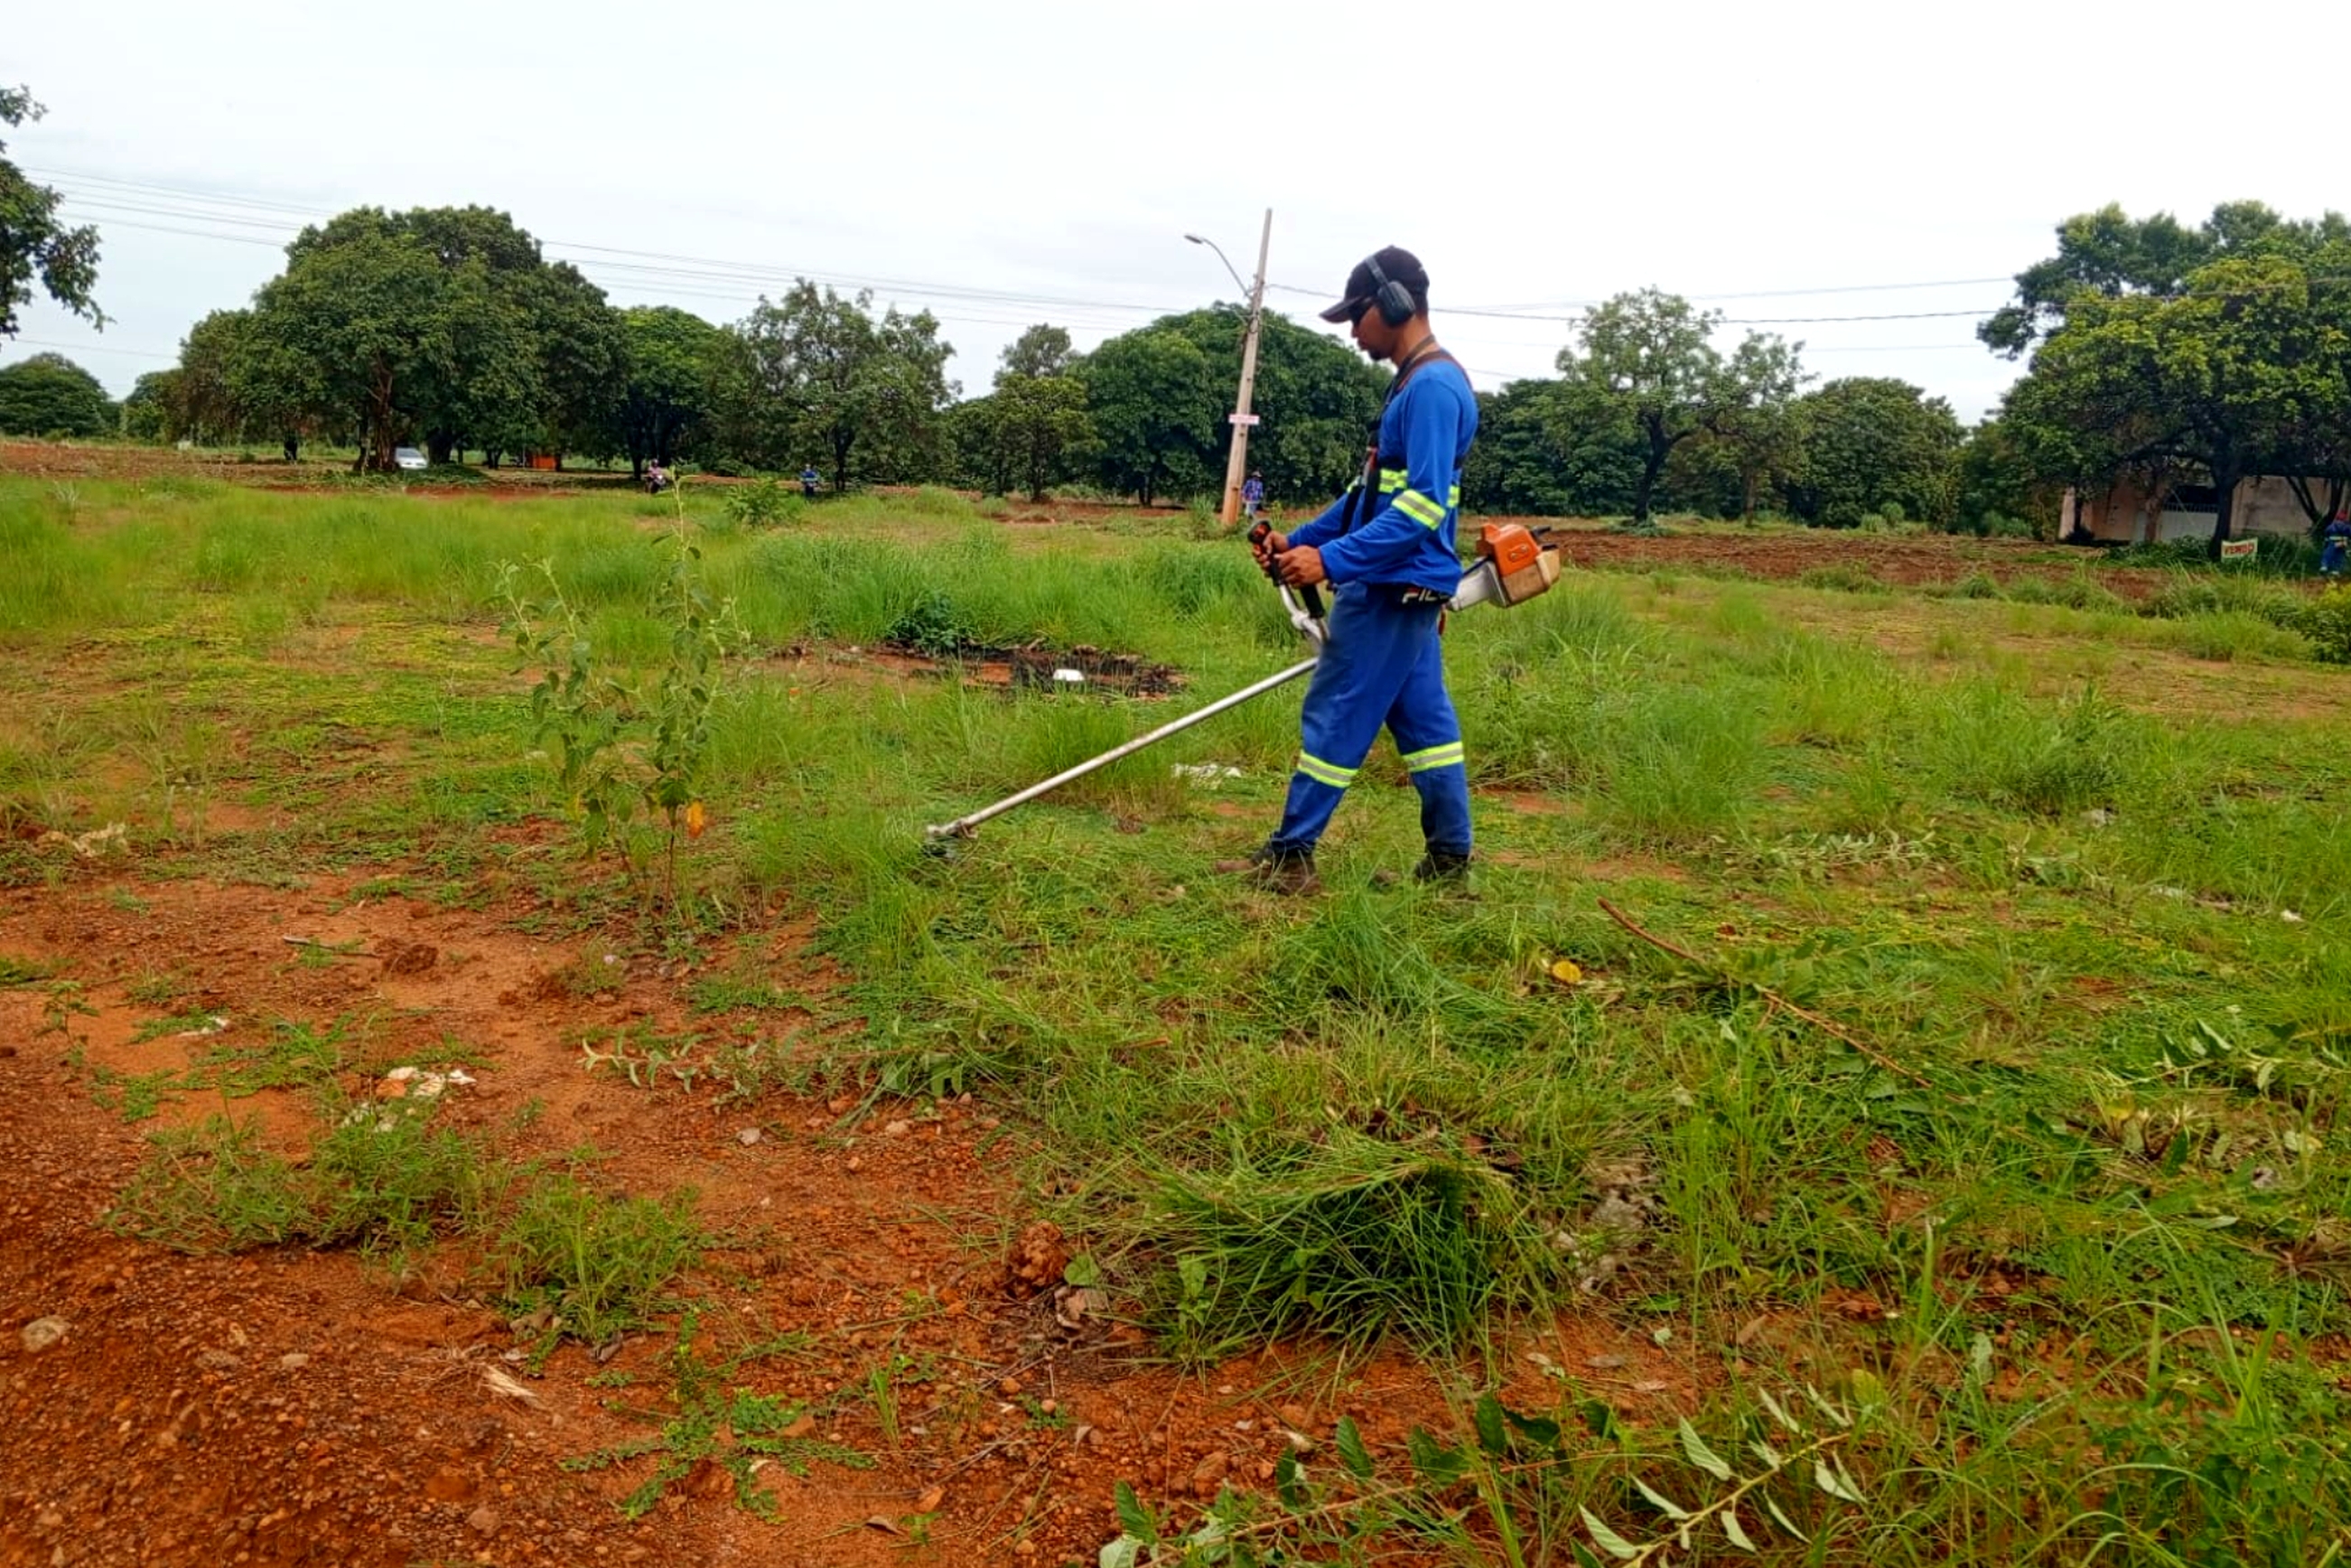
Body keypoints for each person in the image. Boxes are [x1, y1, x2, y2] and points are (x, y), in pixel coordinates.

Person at [1218, 246, 1479, 895]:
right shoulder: (1414, 385)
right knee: (1426, 728)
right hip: (1407, 584)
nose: (1351, 331)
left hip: (1391, 586)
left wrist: (1330, 560)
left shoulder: (1432, 390)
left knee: (1336, 713)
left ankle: (1290, 858)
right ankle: (1450, 863)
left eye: (1355, 316)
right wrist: (1298, 542)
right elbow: (1371, 496)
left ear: (1392, 305)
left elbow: (1419, 506)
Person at [2322, 508, 2350, 578]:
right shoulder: (2347, 526)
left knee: (2328, 554)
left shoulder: (2332, 525)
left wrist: (2326, 543)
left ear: (2336, 518)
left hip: (2332, 543)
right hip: (2342, 543)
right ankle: (2336, 571)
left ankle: (2324, 566)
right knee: (2339, 556)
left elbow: (2327, 533)